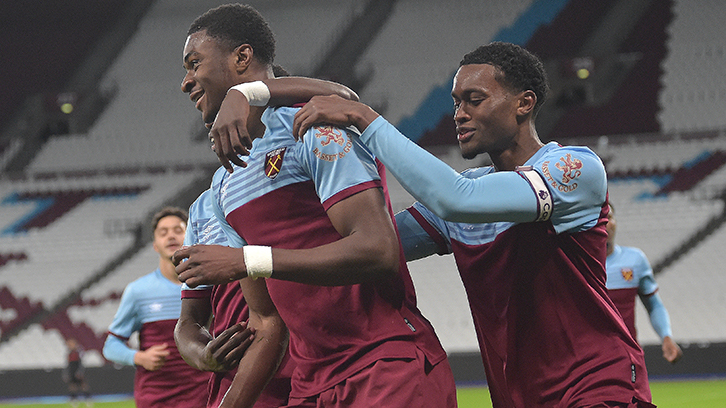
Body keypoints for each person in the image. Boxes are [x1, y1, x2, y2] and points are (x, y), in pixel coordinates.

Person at [283, 42, 655, 407]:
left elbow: (456, 198)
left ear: (524, 103)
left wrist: (364, 118)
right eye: (456, 102)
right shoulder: (468, 196)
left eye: (474, 100)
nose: (459, 113)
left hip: (599, 387)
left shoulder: (574, 170)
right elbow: (370, 247)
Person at [174, 4, 457, 407]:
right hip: (310, 388)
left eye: (194, 63)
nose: (185, 82)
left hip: (385, 366)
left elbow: (378, 251)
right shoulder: (223, 186)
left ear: (241, 57)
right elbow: (267, 324)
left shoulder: (315, 130)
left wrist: (248, 260)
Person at [174, 189, 295, 408]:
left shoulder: (300, 173)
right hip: (237, 377)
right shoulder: (203, 206)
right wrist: (203, 355)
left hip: (310, 371)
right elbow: (188, 319)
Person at [102, 207, 210, 408]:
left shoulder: (210, 287)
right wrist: (139, 357)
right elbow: (110, 346)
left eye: (178, 230)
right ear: (155, 245)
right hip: (157, 399)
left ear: (192, 237)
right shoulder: (139, 291)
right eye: (163, 232)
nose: (171, 235)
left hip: (205, 397)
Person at [606, 201, 683, 364]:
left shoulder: (634, 259)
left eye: (609, 217)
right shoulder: (575, 263)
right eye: (600, 219)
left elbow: (654, 305)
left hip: (627, 355)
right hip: (587, 358)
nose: (606, 223)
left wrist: (666, 336)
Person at [62, 338, 92, 407]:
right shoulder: (69, 353)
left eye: (71, 344)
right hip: (71, 370)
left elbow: (81, 363)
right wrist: (66, 373)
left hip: (77, 370)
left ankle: (88, 399)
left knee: (83, 385)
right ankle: (74, 400)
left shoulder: (79, 352)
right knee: (72, 386)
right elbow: (67, 364)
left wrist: (80, 372)